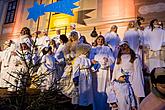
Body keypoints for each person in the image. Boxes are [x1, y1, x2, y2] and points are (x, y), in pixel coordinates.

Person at [112, 41, 145, 109]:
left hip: (132, 80)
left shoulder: (135, 57)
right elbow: (116, 69)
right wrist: (114, 80)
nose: (123, 48)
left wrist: (138, 84)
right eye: (121, 47)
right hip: (121, 81)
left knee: (132, 99)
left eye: (125, 46)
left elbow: (138, 72)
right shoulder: (118, 58)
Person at [89, 35, 115, 110]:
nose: (100, 41)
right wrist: (92, 61)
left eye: (101, 39)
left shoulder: (107, 49)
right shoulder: (93, 49)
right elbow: (90, 58)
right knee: (96, 90)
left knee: (104, 89)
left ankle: (104, 107)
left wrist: (107, 60)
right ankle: (96, 107)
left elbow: (112, 59)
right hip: (96, 72)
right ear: (96, 40)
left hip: (104, 72)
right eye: (98, 39)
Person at [72, 43, 93, 109]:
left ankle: (88, 103)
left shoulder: (88, 59)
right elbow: (75, 69)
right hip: (82, 75)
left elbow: (90, 67)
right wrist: (75, 78)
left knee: (88, 89)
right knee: (82, 89)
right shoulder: (79, 59)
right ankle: (82, 104)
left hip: (88, 74)